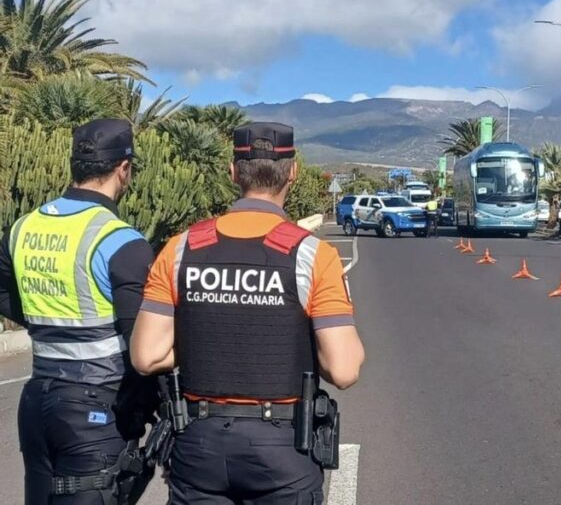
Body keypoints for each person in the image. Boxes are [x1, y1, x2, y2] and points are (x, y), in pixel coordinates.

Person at [131, 122, 365, 504]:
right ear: (292, 172)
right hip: (283, 450)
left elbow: (146, 356)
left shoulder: (181, 248)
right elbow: (344, 370)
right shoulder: (312, 256)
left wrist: (206, 339)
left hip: (198, 445)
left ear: (233, 172)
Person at [0, 118, 157, 504]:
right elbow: (142, 341)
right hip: (96, 408)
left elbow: (4, 294)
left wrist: (47, 322)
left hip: (36, 401)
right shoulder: (120, 240)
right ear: (124, 169)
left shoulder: (22, 227)